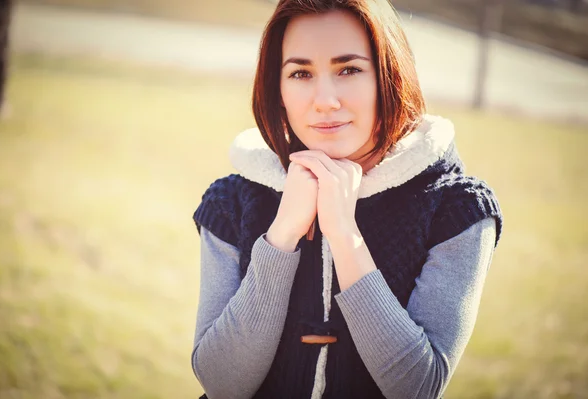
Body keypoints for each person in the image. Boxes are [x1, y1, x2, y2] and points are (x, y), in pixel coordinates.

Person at [191, 0, 503, 398]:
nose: (325, 100)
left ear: (389, 76)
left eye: (349, 69)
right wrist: (282, 235)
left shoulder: (458, 209)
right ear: (278, 89)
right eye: (300, 72)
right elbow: (220, 384)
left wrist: (344, 236)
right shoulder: (231, 200)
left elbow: (418, 388)